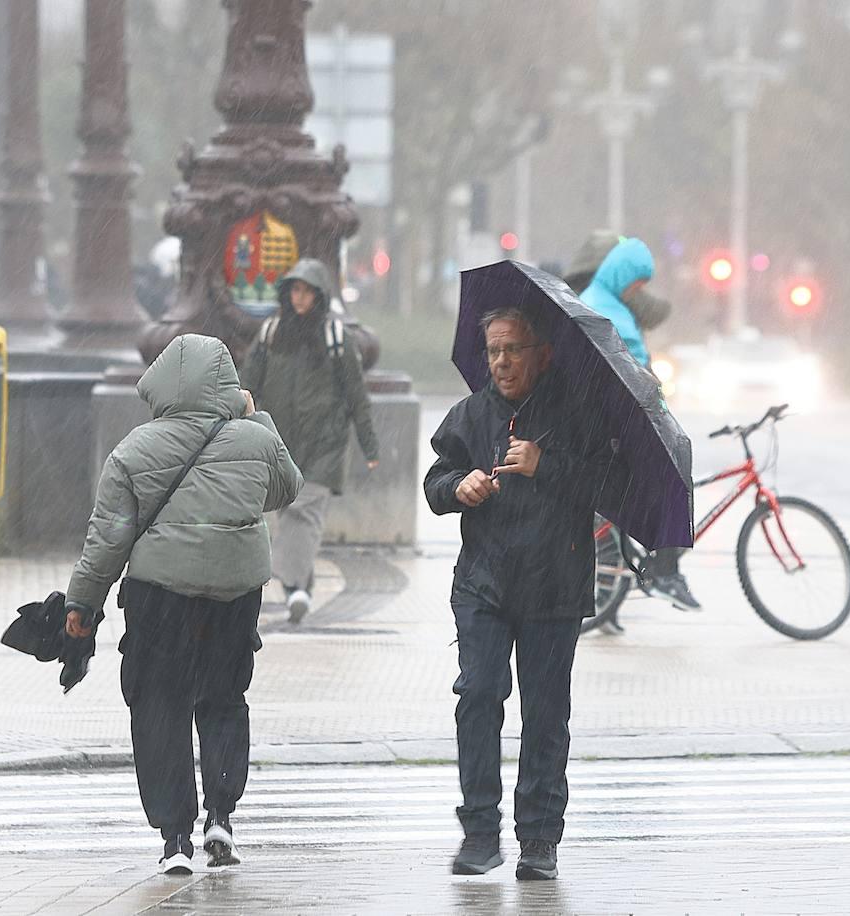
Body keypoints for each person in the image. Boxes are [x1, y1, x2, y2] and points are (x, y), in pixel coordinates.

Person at [64, 334, 303, 875]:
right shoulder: (255, 440)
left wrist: (83, 602)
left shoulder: (134, 450)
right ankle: (220, 815)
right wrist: (255, 418)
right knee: (223, 699)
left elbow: (108, 540)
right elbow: (285, 488)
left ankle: (175, 838)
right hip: (234, 596)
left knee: (159, 706)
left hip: (160, 598)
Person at [425, 305, 617, 881]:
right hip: (483, 584)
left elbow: (611, 485)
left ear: (544, 354)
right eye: (494, 351)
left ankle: (539, 839)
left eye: (513, 350)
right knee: (478, 696)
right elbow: (435, 482)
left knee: (546, 713)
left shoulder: (579, 414)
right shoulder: (470, 415)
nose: (502, 362)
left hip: (555, 587)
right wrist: (458, 486)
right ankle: (480, 832)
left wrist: (544, 464)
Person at [239, 258, 380, 623]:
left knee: (303, 512)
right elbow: (247, 383)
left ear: (319, 296)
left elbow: (356, 394)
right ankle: (300, 589)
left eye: (307, 292)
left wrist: (369, 444)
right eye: (295, 291)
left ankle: (292, 587)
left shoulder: (336, 338)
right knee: (292, 517)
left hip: (325, 445)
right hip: (280, 442)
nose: (300, 298)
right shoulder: (272, 333)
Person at [572, 234, 701, 611]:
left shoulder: (608, 300)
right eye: (635, 282)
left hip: (625, 415)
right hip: (623, 420)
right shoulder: (604, 307)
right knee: (677, 474)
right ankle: (665, 572)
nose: (637, 290)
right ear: (619, 275)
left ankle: (648, 566)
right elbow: (624, 369)